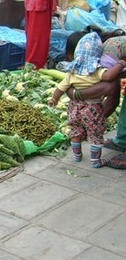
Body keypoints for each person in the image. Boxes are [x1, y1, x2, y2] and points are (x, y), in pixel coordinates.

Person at [49, 32, 126, 168]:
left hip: (74, 108)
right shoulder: (96, 69)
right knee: (96, 134)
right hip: (92, 108)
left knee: (75, 131)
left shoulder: (74, 71)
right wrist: (120, 64)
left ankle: (77, 155)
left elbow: (110, 87)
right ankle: (97, 159)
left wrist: (56, 98)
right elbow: (110, 84)